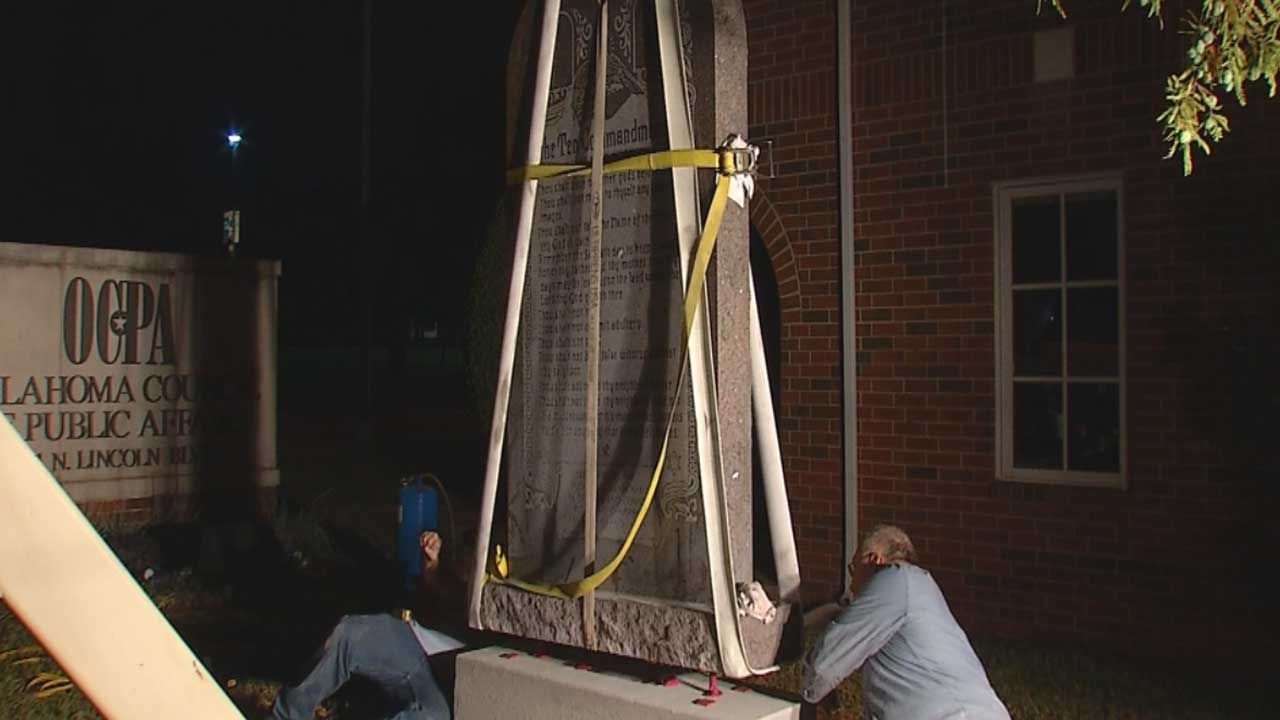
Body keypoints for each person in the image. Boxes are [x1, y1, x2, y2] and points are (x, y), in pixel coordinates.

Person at [801, 525, 1010, 720]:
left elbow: (823, 666)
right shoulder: (919, 588)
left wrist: (812, 690)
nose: (852, 587)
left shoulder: (892, 581)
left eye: (853, 570)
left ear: (874, 559)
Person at [272, 531, 467, 720]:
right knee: (350, 634)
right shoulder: (488, 556)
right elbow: (451, 594)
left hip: (451, 687)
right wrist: (432, 565)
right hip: (418, 643)